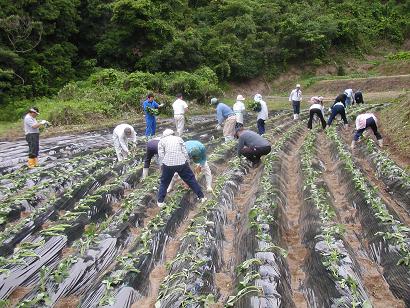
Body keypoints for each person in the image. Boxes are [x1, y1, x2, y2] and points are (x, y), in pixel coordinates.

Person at [157, 129, 206, 207]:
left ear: (164, 135)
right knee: (191, 179)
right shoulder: (179, 139)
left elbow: (161, 155)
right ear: (173, 134)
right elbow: (185, 152)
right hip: (181, 163)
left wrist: (162, 165)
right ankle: (201, 197)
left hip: (168, 164)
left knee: (164, 182)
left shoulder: (162, 141)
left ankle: (160, 201)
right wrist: (188, 162)